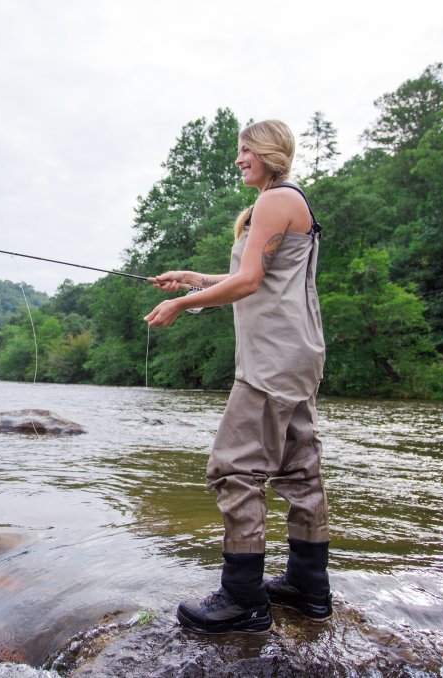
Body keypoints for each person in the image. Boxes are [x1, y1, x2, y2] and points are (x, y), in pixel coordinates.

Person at [144, 119, 330, 634]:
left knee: (234, 467)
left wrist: (180, 303)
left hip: (272, 358)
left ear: (268, 152)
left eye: (244, 150)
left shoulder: (275, 202)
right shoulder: (282, 202)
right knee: (299, 469)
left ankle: (243, 598)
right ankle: (308, 587)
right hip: (296, 353)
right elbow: (253, 276)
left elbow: (249, 282)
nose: (238, 159)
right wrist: (195, 279)